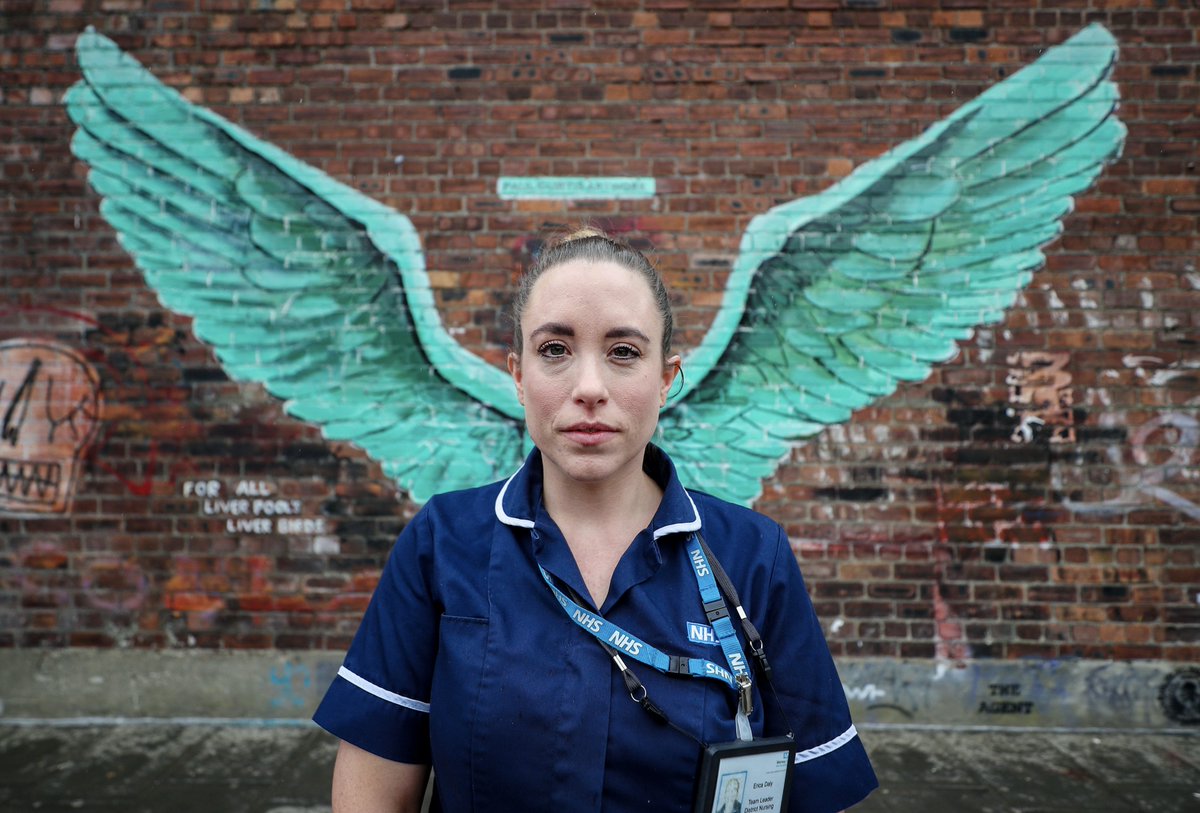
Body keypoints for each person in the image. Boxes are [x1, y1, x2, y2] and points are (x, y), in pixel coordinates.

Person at [313, 229, 878, 812]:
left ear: (665, 379)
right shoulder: (442, 542)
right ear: (517, 373)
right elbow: (374, 796)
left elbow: (816, 792)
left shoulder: (754, 557)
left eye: (624, 352)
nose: (589, 388)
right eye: (555, 349)